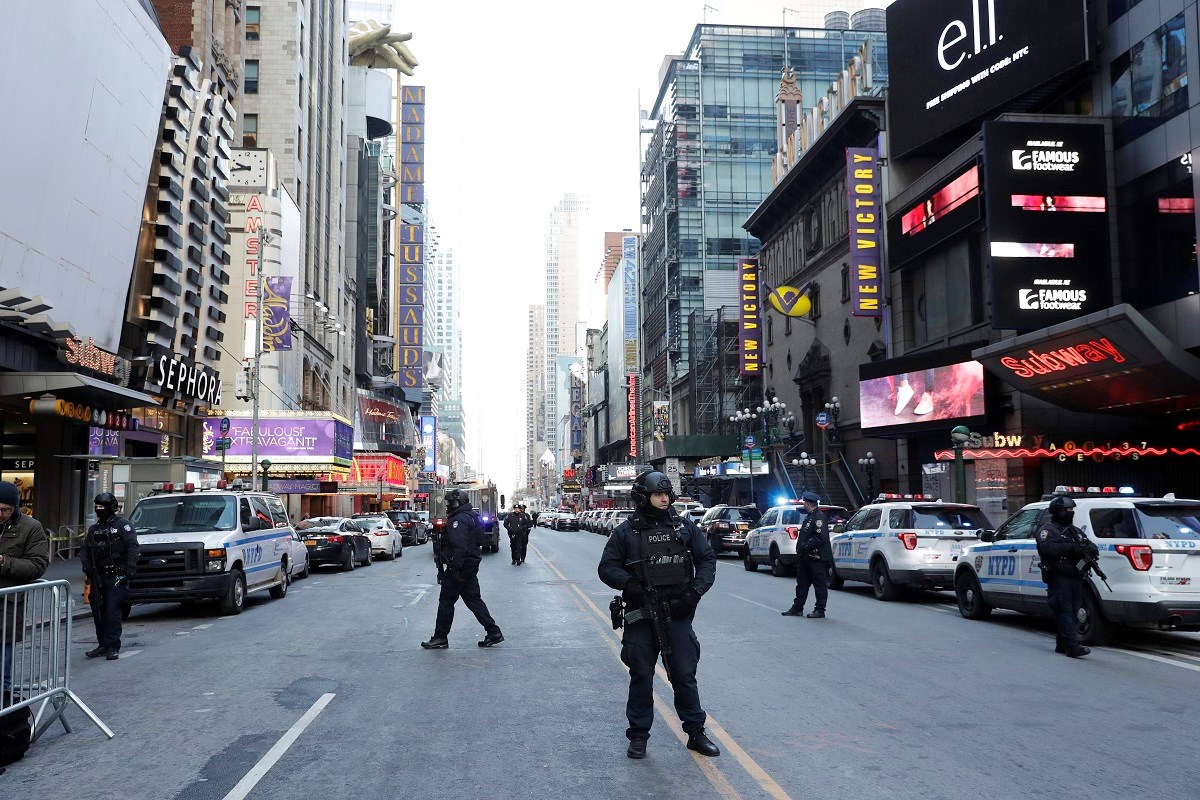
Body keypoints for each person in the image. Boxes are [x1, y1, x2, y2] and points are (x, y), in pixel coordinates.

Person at [598, 470, 719, 760]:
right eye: (657, 494)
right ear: (644, 497)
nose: (664, 499)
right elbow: (607, 567)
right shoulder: (625, 531)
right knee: (641, 674)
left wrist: (693, 594)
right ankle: (638, 737)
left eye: (667, 494)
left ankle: (695, 732)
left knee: (683, 674)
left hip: (676, 612)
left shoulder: (684, 527)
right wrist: (629, 584)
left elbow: (706, 560)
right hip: (642, 614)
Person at [421, 489, 503, 649]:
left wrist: (455, 569)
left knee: (446, 601)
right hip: (470, 565)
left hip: (460, 567)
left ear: (456, 502)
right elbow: (480, 540)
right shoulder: (473, 516)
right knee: (473, 600)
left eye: (449, 502)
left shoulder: (457, 520)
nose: (447, 505)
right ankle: (493, 631)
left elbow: (459, 548)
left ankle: (440, 637)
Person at [0, 482, 49, 697]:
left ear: (15, 508)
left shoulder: (31, 527)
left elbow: (38, 564)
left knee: (3, 652)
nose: (0, 514)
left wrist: (4, 562)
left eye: (5, 510)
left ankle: (4, 697)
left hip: (7, 605)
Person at [1035, 494, 1097, 658]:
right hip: (1059, 577)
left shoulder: (1074, 531)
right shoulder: (1047, 530)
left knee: (1074, 610)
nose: (1071, 512)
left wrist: (1089, 550)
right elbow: (1049, 549)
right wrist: (1070, 548)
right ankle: (1072, 646)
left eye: (1072, 510)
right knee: (1064, 611)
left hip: (1075, 576)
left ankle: (1062, 644)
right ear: (1059, 511)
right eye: (1068, 510)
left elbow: (1089, 545)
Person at [80, 493, 139, 661]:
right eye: (97, 506)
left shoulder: (122, 525)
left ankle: (113, 646)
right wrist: (87, 567)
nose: (99, 510)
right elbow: (84, 549)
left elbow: (133, 546)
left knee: (112, 610)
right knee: (99, 610)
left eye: (102, 506)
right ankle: (103, 644)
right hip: (99, 577)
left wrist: (131, 567)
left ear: (111, 507)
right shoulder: (94, 529)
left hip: (116, 576)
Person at [781, 492, 832, 619]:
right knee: (802, 583)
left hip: (816, 558)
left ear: (808, 503)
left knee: (819, 585)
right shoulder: (810, 516)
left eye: (804, 502)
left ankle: (820, 610)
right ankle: (797, 608)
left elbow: (820, 538)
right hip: (806, 557)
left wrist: (804, 546)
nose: (803, 504)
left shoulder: (819, 517)